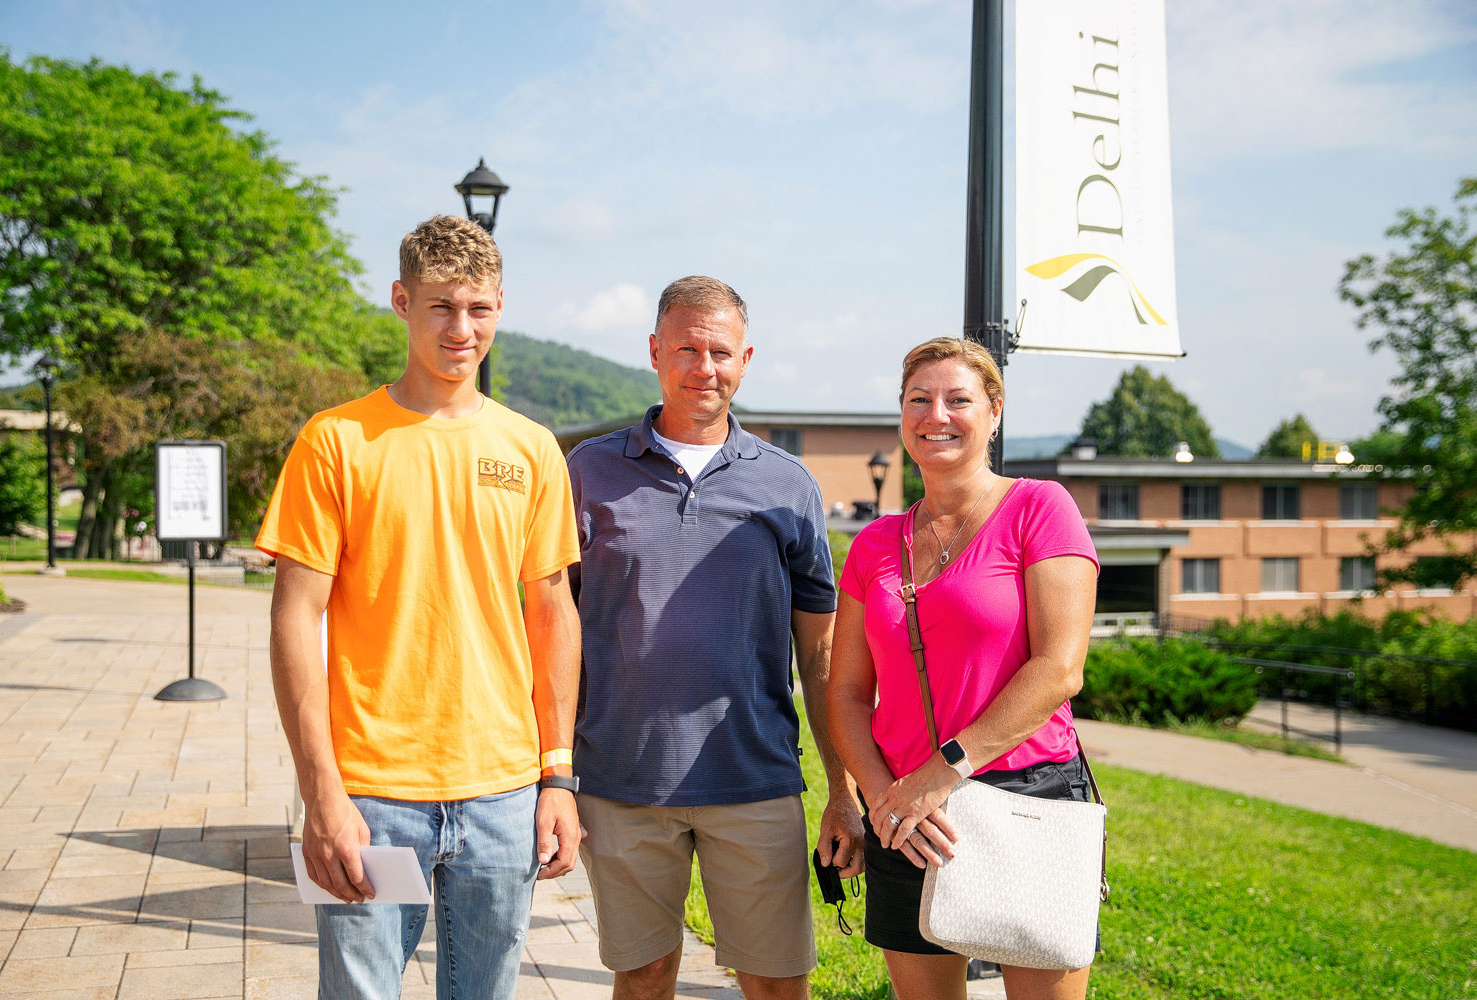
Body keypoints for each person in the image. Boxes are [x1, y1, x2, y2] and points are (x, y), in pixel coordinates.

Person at [257, 214, 582, 1000]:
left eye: (477, 308)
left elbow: (552, 612)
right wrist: (321, 792)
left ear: (500, 307)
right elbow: (294, 619)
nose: (460, 328)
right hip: (369, 791)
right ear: (402, 301)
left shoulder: (532, 448)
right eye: (440, 305)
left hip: (503, 793)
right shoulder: (335, 441)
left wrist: (558, 776)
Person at [566, 276, 863, 1000]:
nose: (706, 367)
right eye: (688, 349)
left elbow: (820, 655)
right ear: (655, 352)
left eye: (721, 352)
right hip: (620, 779)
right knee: (642, 976)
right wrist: (550, 778)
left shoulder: (788, 485)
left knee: (776, 982)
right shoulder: (587, 473)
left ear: (746, 358)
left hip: (754, 778)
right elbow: (552, 631)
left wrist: (842, 789)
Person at [826, 337, 1099, 1000]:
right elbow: (848, 694)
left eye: (958, 399)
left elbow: (1059, 668)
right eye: (918, 400)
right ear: (901, 416)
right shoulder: (873, 544)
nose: (935, 414)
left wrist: (938, 774)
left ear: (994, 412)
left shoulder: (1040, 508)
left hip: (1024, 798)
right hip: (907, 820)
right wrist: (885, 799)